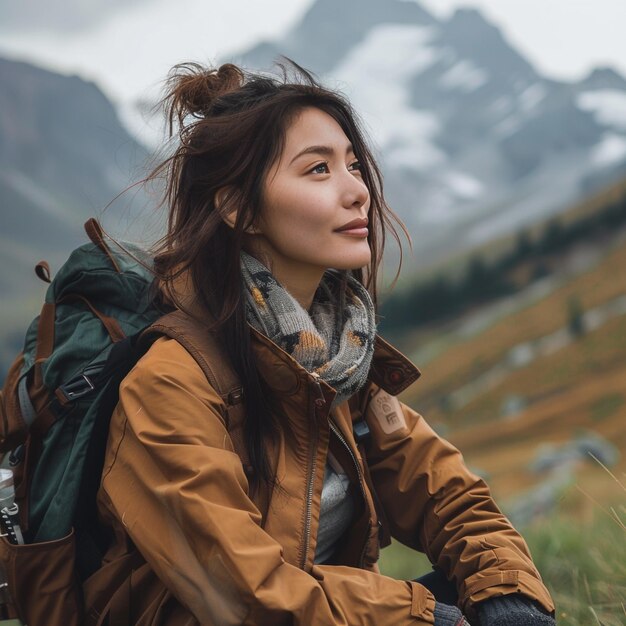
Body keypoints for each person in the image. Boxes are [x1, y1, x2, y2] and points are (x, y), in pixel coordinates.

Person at [82, 61, 556, 625]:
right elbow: (243, 596)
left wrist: (508, 593)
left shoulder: (335, 358)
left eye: (354, 166)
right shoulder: (168, 383)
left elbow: (449, 495)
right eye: (318, 170)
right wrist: (425, 618)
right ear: (238, 208)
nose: (358, 191)